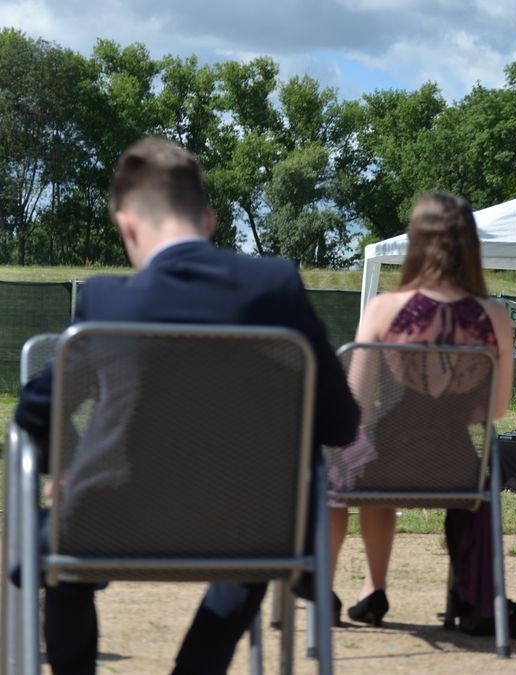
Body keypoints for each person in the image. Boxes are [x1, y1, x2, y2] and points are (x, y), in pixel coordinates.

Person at [12, 137, 361, 674]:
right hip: (252, 530)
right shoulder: (276, 288)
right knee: (252, 540)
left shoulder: (105, 301)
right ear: (209, 219)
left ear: (126, 223)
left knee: (64, 561)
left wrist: (71, 465)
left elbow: (33, 413)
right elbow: (340, 423)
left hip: (109, 521)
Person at [327, 193, 516, 638]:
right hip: (459, 470)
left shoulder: (383, 309)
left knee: (331, 464)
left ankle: (323, 589)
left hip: (381, 464)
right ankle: (377, 590)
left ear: (415, 241)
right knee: (375, 455)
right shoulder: (496, 316)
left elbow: (356, 408)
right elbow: (496, 410)